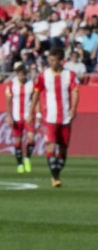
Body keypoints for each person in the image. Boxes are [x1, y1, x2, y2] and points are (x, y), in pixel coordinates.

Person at [29, 48, 81, 188]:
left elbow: (75, 92)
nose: (51, 62)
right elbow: (36, 93)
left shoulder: (70, 75)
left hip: (65, 118)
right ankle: (55, 177)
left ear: (61, 60)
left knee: (63, 149)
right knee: (51, 145)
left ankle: (56, 172)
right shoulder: (43, 75)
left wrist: (73, 110)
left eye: (53, 60)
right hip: (49, 117)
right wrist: (31, 111)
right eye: (49, 60)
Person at [5, 62, 35, 174]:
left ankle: (27, 158)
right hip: (16, 116)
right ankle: (19, 164)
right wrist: (8, 115)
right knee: (18, 141)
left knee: (31, 138)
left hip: (28, 116)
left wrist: (37, 115)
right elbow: (8, 101)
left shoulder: (31, 84)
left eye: (24, 74)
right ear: (17, 74)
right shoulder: (11, 85)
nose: (22, 76)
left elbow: (35, 100)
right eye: (20, 74)